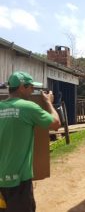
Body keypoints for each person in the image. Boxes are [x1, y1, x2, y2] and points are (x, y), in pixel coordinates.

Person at [0, 71, 61, 212]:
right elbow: (56, 123)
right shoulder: (28, 107)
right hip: (19, 182)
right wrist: (48, 102)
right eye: (31, 87)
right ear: (22, 87)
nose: (33, 90)